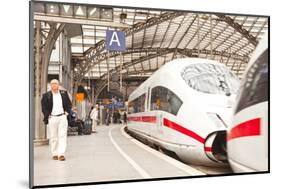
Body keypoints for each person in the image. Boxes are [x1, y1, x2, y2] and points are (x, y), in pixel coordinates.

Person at [41, 79, 72, 161]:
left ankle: (61, 154)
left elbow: (69, 104)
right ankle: (54, 153)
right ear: (50, 86)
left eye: (56, 83)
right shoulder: (46, 95)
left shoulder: (64, 94)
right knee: (53, 137)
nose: (54, 85)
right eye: (52, 84)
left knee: (62, 135)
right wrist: (47, 115)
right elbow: (43, 107)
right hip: (52, 118)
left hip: (62, 117)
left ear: (58, 85)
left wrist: (67, 113)